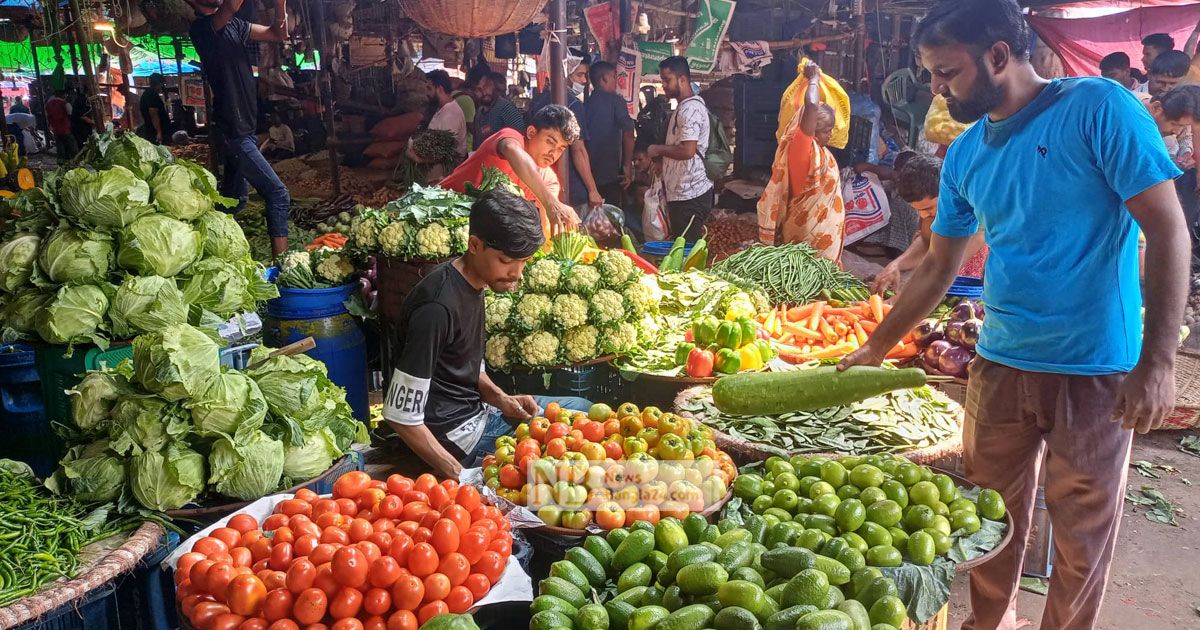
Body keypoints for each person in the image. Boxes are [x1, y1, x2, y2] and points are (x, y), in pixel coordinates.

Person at [839, 3, 1189, 630]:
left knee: (1081, 537)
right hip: (999, 362)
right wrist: (875, 345)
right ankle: (990, 622)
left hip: (1095, 367)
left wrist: (1158, 362)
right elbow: (940, 266)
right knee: (988, 518)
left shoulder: (1099, 109)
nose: (937, 89)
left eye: (946, 72)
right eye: (931, 75)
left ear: (998, 55)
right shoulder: (967, 153)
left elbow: (1167, 232)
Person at [383, 188, 591, 476]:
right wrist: (460, 476)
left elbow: (462, 366)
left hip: (481, 412)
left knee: (584, 410)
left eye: (524, 262)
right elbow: (400, 415)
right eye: (507, 261)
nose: (517, 273)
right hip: (457, 437)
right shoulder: (436, 308)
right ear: (475, 245)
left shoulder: (476, 281)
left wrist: (501, 398)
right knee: (566, 463)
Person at [187, 0, 292, 257]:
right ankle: (285, 269)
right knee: (278, 194)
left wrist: (280, 5)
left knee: (234, 201)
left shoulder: (235, 26)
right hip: (232, 132)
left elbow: (278, 34)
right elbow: (232, 6)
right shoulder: (202, 29)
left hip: (244, 129)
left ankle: (208, 250)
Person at [441, 104, 581, 237]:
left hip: (471, 231)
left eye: (561, 149)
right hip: (438, 208)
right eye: (550, 142)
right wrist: (552, 204)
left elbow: (546, 222)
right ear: (531, 132)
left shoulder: (548, 178)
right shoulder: (511, 137)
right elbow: (510, 148)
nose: (553, 153)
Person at [756, 62, 845, 262]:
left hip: (811, 237)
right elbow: (811, 106)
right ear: (811, 129)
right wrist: (813, 78)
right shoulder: (801, 150)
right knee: (810, 281)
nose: (830, 136)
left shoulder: (819, 153)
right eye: (825, 130)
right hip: (810, 240)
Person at [871, 154, 987, 294]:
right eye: (918, 210)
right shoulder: (932, 212)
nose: (923, 215)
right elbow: (926, 242)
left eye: (928, 208)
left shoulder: (972, 214)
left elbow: (945, 270)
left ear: (946, 192)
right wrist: (896, 265)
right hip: (934, 285)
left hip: (966, 290)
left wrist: (899, 301)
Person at [647, 56, 712, 240]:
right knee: (682, 248)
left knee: (686, 252)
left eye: (667, 80)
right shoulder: (684, 107)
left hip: (690, 195)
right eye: (662, 81)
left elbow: (687, 151)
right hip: (683, 193)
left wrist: (657, 150)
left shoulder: (689, 110)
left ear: (682, 79)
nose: (664, 85)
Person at [530, 58, 603, 212]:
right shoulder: (573, 105)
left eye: (585, 75)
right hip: (571, 186)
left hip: (540, 182)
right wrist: (593, 190)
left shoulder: (539, 100)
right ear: (566, 76)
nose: (584, 80)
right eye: (579, 75)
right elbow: (579, 150)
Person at [585, 61, 637, 208]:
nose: (616, 82)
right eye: (614, 76)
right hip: (611, 174)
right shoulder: (616, 101)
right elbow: (628, 133)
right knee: (612, 219)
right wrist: (627, 166)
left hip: (588, 176)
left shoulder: (585, 105)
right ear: (604, 78)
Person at [473, 71, 525, 149]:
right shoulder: (479, 113)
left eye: (487, 86)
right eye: (479, 89)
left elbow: (520, 134)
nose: (484, 91)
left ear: (494, 87)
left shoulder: (505, 108)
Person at [425, 69, 468, 156]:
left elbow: (441, 152)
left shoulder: (450, 115)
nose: (426, 93)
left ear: (440, 89)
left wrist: (415, 157)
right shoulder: (443, 109)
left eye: (429, 89)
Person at [139, 73, 172, 145]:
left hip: (154, 130)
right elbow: (154, 115)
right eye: (162, 84)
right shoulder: (151, 95)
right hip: (154, 132)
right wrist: (159, 132)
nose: (163, 87)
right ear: (159, 84)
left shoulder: (150, 93)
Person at [45, 89, 76, 161]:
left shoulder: (49, 104)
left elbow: (48, 116)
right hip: (65, 128)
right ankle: (73, 159)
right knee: (71, 144)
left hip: (55, 128)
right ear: (64, 95)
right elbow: (71, 114)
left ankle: (61, 160)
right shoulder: (65, 103)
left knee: (59, 144)